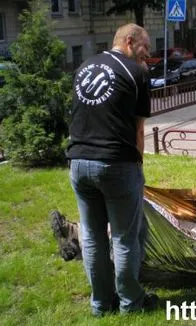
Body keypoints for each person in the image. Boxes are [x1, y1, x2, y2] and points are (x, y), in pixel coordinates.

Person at [66, 23, 157, 315]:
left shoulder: (84, 67)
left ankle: (100, 304)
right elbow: (139, 131)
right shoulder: (136, 73)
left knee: (91, 236)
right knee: (124, 237)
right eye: (145, 48)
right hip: (116, 163)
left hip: (78, 162)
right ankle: (131, 304)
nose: (148, 56)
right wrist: (138, 168)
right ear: (130, 41)